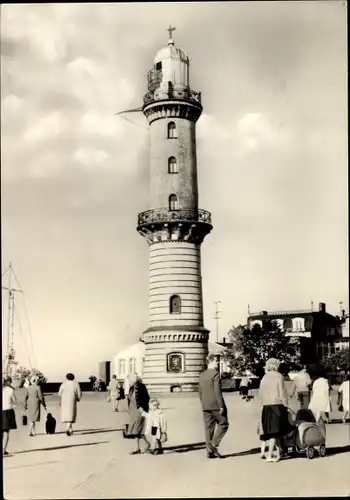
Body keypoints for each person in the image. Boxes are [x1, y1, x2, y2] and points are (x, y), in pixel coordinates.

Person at [258, 358, 289, 463]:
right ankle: (270, 455)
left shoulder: (264, 377)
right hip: (277, 404)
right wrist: (286, 404)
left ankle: (279, 451)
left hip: (266, 406)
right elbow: (282, 392)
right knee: (276, 432)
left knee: (271, 431)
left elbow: (260, 393)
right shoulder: (279, 376)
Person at [198, 354, 229, 459]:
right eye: (216, 361)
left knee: (208, 428)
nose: (218, 363)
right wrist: (221, 405)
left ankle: (209, 451)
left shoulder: (202, 375)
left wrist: (203, 402)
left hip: (205, 405)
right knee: (223, 423)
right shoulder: (215, 374)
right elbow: (217, 391)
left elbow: (200, 392)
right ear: (211, 362)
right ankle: (214, 444)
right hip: (215, 404)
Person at [124, 374, 150, 454]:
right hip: (133, 411)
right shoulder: (132, 388)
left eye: (129, 381)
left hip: (139, 411)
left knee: (137, 429)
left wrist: (142, 407)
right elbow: (130, 398)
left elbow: (146, 398)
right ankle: (140, 446)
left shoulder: (141, 386)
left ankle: (143, 445)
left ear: (133, 380)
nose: (128, 383)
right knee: (135, 429)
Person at [2, 375, 17, 456]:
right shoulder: (10, 390)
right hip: (7, 411)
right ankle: (3, 449)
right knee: (6, 431)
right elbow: (15, 401)